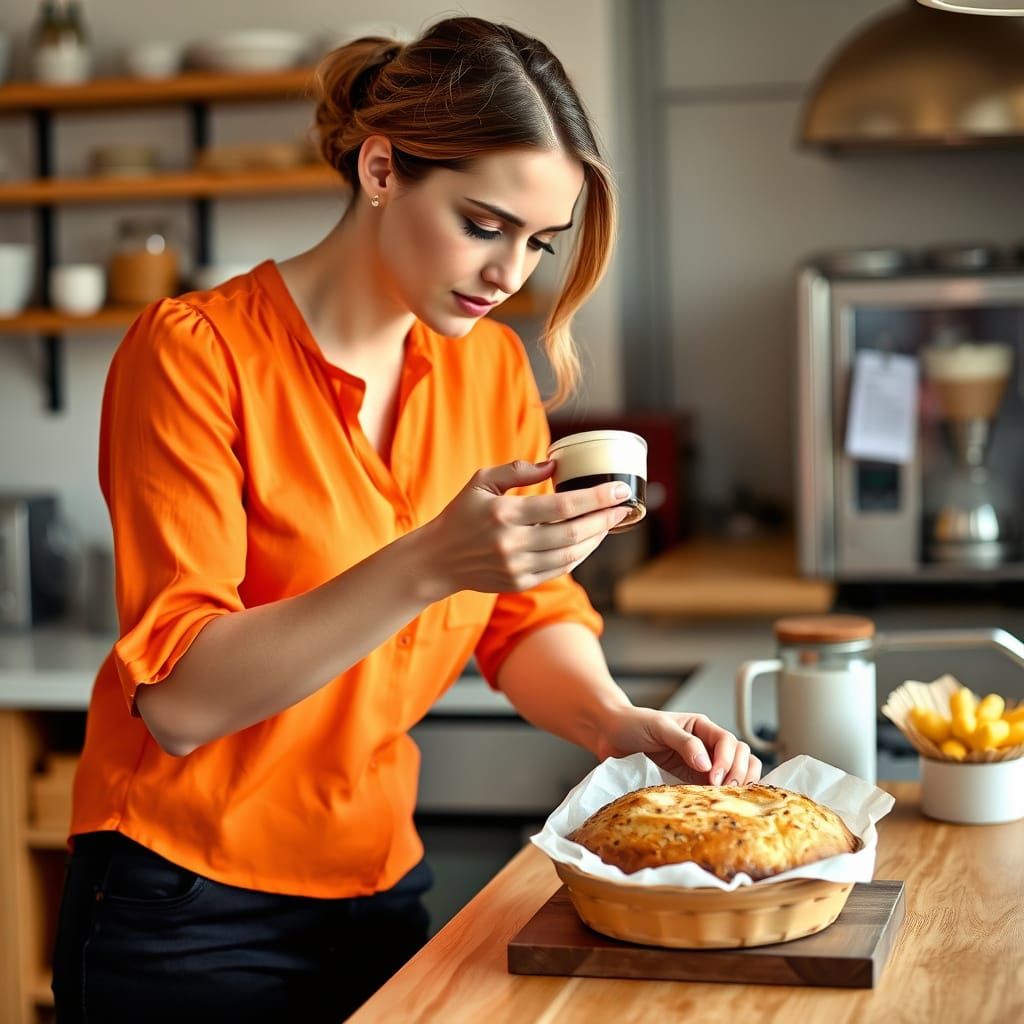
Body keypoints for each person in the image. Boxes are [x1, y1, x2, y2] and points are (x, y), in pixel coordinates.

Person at [51, 15, 760, 1023]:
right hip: (182, 903)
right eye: (483, 223)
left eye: (538, 242)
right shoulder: (194, 354)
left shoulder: (489, 368)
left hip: (379, 882)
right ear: (382, 167)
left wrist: (615, 723)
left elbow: (526, 615)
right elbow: (179, 701)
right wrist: (428, 561)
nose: (511, 272)